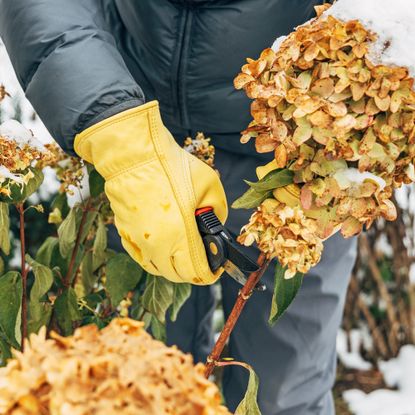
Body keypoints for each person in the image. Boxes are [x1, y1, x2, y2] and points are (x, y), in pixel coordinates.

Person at [0, 1, 357, 413]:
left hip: (291, 148)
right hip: (136, 112)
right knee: (135, 379)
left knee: (285, 392)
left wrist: (351, 139)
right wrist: (124, 140)